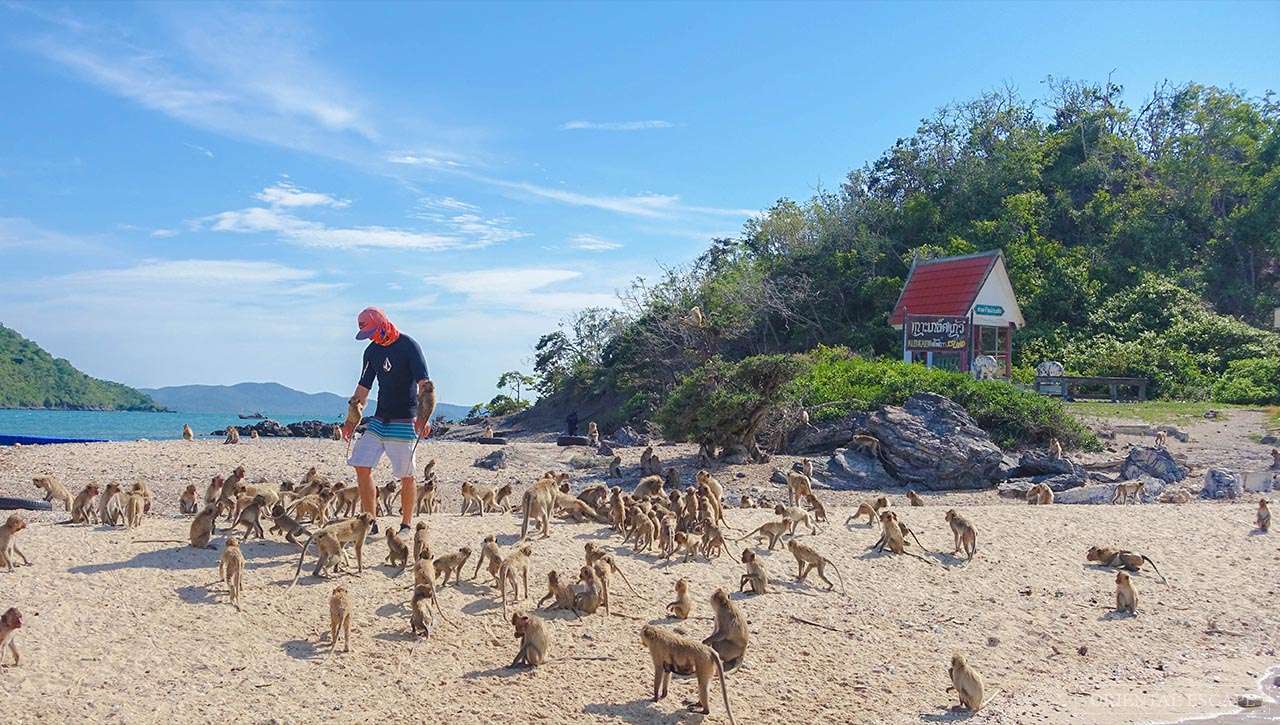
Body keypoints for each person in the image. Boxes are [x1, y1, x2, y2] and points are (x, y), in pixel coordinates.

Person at [341, 307, 435, 536]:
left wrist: (423, 419)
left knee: (406, 475)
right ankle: (370, 521)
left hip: (405, 418)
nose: (372, 337)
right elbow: (362, 391)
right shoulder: (371, 352)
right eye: (367, 334)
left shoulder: (409, 346)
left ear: (383, 324)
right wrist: (350, 422)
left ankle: (406, 524)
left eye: (373, 332)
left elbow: (425, 386)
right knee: (361, 465)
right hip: (379, 418)